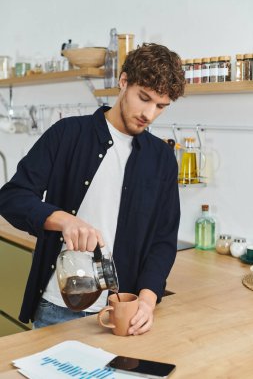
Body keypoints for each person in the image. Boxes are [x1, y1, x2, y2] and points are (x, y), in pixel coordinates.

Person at [0, 43, 185, 335]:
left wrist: (147, 302)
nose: (149, 114)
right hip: (57, 308)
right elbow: (11, 197)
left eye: (161, 106)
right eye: (144, 98)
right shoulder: (67, 134)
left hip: (122, 313)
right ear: (124, 82)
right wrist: (63, 219)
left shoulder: (161, 158)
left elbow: (162, 242)